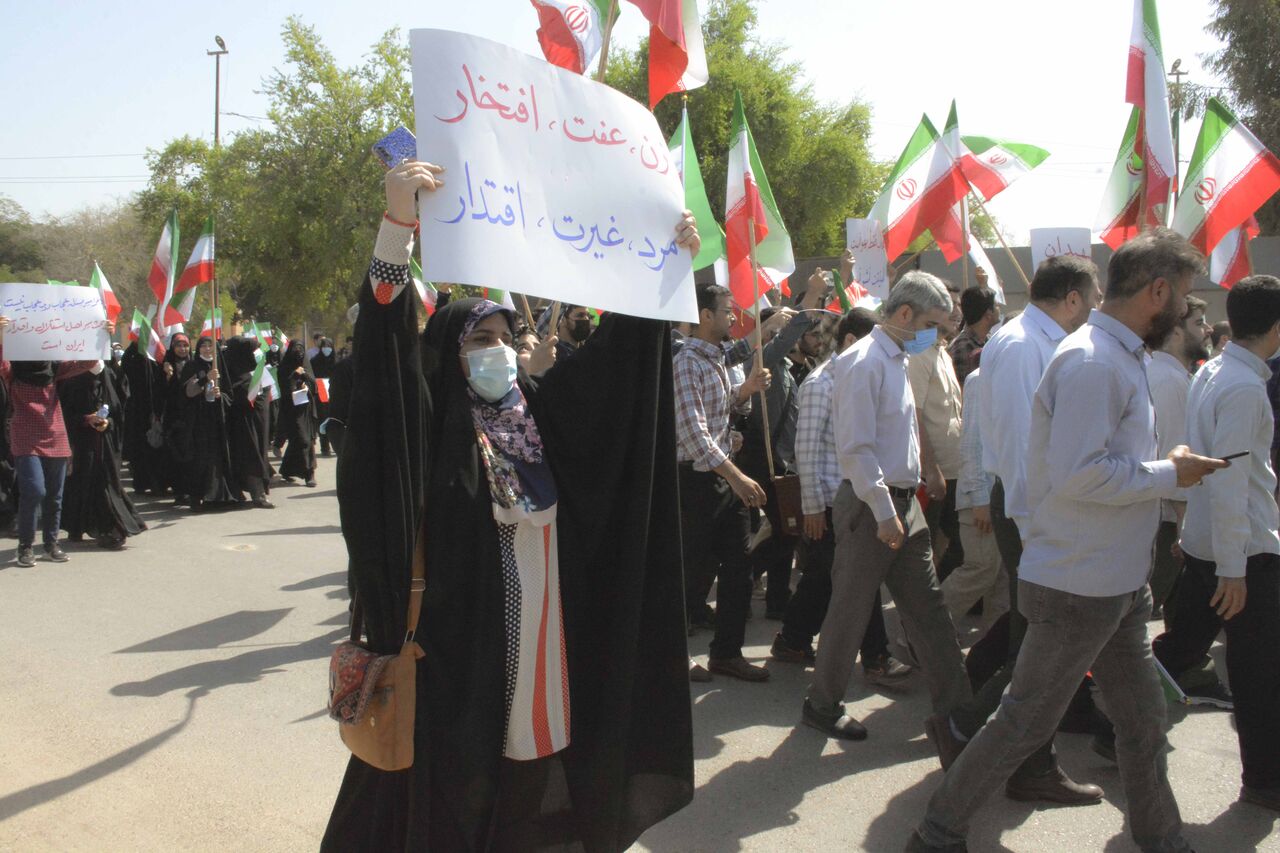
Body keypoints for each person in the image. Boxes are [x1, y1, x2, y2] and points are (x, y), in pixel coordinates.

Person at [322, 159, 698, 850]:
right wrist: (396, 227)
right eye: (476, 340)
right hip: (458, 661)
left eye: (503, 338)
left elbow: (615, 374)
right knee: (454, 799)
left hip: (542, 651)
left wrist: (660, 271)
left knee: (527, 788)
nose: (496, 352)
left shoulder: (540, 416)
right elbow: (384, 361)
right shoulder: (432, 428)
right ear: (446, 352)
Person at [910, 227, 1227, 853]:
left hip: (1112, 583)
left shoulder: (1117, 355)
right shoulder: (1090, 361)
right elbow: (1082, 474)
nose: (1189, 314)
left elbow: (1102, 460)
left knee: (1141, 722)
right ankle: (938, 832)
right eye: (1185, 300)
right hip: (1080, 585)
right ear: (1156, 291)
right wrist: (1172, 472)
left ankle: (1161, 836)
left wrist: (1169, 461)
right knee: (1022, 720)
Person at [931, 254, 1106, 802]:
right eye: (1093, 298)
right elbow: (1019, 448)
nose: (1096, 309)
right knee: (1042, 649)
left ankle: (1005, 749)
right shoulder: (1021, 346)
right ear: (1073, 298)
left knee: (1037, 646)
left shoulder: (1041, 342)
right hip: (1031, 512)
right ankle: (975, 734)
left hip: (1040, 511)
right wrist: (1038, 534)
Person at [802, 272, 969, 741]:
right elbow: (856, 448)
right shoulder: (863, 362)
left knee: (930, 612)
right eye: (934, 325)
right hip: (870, 506)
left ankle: (959, 712)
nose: (939, 336)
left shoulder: (897, 357)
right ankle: (821, 704)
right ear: (903, 315)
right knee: (850, 611)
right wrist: (882, 512)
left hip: (900, 505)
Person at [1159, 275, 1280, 813]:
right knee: (1257, 673)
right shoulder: (1243, 386)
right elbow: (1230, 480)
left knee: (1176, 651)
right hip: (1242, 553)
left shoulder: (1215, 371)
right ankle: (1264, 780)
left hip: (1217, 544)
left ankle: (1113, 723)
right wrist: (1234, 568)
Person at [772, 306, 912, 685]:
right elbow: (806, 450)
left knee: (825, 579)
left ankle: (793, 639)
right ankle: (876, 657)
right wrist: (813, 507)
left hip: (854, 498)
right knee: (854, 583)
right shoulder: (821, 383)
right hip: (833, 502)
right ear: (851, 341)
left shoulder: (857, 376)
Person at [675, 283, 772, 682]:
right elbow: (694, 433)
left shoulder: (712, 359)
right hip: (695, 484)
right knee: (689, 575)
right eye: (727, 311)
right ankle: (670, 656)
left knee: (738, 567)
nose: (734, 317)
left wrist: (744, 391)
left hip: (723, 479)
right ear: (704, 316)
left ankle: (726, 654)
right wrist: (737, 477)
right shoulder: (685, 362)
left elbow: (718, 411)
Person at [739, 270, 826, 620]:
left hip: (784, 460)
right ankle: (743, 580)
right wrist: (808, 298)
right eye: (780, 327)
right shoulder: (764, 361)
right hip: (764, 459)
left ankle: (776, 600)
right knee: (786, 531)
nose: (803, 335)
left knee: (786, 531)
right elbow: (782, 337)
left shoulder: (789, 368)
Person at [0, 316, 107, 566]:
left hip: (55, 433)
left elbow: (89, 362)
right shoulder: (13, 370)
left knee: (55, 495)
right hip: (25, 434)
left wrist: (100, 333)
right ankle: (25, 546)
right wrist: (2, 334)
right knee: (34, 490)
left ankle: (50, 544)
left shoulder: (55, 367)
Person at [1147, 296, 1212, 617]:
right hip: (1168, 521)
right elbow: (1174, 459)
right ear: (1175, 331)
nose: (1207, 330)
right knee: (1138, 613)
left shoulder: (1169, 374)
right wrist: (1186, 529)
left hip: (1166, 515)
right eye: (1198, 323)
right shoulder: (1170, 381)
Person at [940, 354, 1009, 632]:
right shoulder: (982, 378)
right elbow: (972, 442)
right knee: (981, 569)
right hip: (982, 497)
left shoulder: (1010, 376)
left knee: (1003, 578)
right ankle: (921, 632)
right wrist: (981, 499)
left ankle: (992, 649)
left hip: (1003, 497)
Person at [910, 281, 966, 582]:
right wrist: (930, 469)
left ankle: (936, 605)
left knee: (955, 547)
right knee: (927, 549)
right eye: (950, 307)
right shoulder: (919, 353)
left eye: (957, 306)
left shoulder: (942, 351)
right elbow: (915, 415)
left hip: (954, 470)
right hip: (933, 475)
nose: (957, 313)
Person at [57, 363, 145, 548]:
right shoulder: (72, 379)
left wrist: (108, 422)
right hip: (81, 444)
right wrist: (86, 419)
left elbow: (119, 409)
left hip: (107, 443)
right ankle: (76, 526)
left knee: (107, 483)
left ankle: (113, 529)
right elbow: (64, 413)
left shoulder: (111, 375)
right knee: (81, 482)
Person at [176, 336, 238, 510]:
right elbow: (187, 392)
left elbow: (229, 395)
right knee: (200, 458)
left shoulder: (220, 366)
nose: (207, 349)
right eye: (203, 346)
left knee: (219, 456)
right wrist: (205, 379)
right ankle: (196, 496)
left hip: (217, 418)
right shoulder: (192, 366)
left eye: (210, 346)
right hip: (199, 420)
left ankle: (220, 494)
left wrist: (221, 395)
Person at [222, 336, 274, 509]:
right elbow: (228, 393)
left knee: (257, 454)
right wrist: (243, 395)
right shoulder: (228, 370)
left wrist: (257, 393)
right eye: (251, 350)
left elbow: (267, 390)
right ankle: (246, 492)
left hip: (257, 420)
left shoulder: (258, 368)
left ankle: (258, 492)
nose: (255, 354)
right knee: (244, 456)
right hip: (238, 422)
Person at [120, 340, 166, 495]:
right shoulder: (131, 359)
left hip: (152, 411)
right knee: (140, 450)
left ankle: (155, 484)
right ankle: (142, 483)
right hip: (136, 413)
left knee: (154, 451)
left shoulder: (154, 362)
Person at [276, 340, 318, 487]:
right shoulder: (284, 367)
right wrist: (295, 375)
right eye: (295, 349)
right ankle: (305, 471)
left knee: (306, 440)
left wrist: (306, 381)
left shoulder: (306, 365)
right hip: (291, 409)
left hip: (306, 408)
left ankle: (308, 473)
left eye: (301, 349)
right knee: (301, 439)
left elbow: (314, 384)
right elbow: (284, 386)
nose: (298, 352)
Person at [161, 332, 193, 505]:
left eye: (185, 345)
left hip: (191, 417)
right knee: (176, 455)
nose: (182, 349)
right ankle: (179, 491)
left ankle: (191, 490)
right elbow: (161, 393)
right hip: (173, 418)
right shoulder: (166, 366)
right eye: (179, 345)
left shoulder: (193, 364)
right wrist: (167, 377)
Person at [948, 287, 999, 386]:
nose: (999, 309)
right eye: (996, 305)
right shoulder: (962, 347)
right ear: (988, 314)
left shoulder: (989, 341)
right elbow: (966, 389)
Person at [311, 336, 336, 457]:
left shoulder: (336, 361)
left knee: (334, 418)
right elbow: (311, 377)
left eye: (329, 347)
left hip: (335, 392)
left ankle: (335, 444)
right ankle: (324, 446)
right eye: (324, 347)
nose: (327, 349)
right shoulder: (315, 361)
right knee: (323, 418)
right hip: (320, 391)